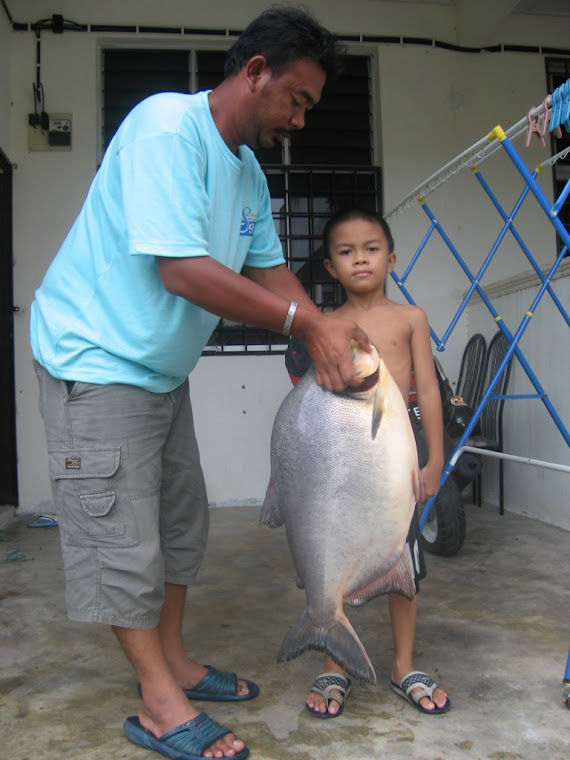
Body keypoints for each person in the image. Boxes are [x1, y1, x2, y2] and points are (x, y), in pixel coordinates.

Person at [29, 8, 371, 760]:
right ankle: (158, 703)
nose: (302, 122)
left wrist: (327, 326)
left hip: (158, 371)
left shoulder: (247, 173)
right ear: (254, 73)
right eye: (298, 100)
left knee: (181, 525)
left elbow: (268, 268)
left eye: (310, 108)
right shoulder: (165, 130)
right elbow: (180, 270)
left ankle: (176, 661)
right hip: (95, 358)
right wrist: (303, 324)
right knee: (123, 538)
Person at [286, 207, 451, 719]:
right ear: (331, 267)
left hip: (396, 465)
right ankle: (336, 665)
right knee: (336, 559)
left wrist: (435, 460)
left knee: (406, 567)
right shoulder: (326, 326)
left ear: (392, 259)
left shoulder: (411, 318)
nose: (361, 258)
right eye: (346, 250)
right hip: (345, 468)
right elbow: (310, 412)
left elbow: (427, 389)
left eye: (372, 248)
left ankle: (403, 666)